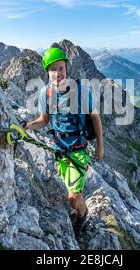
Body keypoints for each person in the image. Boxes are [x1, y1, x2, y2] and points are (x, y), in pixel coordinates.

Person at [24, 47, 104, 236]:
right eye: (53, 69)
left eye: (61, 68)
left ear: (66, 68)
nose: (58, 73)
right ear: (47, 72)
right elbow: (44, 119)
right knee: (72, 190)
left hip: (79, 150)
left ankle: (83, 215)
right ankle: (78, 210)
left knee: (73, 196)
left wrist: (100, 146)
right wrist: (28, 125)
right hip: (60, 150)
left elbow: (95, 118)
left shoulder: (81, 92)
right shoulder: (46, 94)